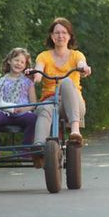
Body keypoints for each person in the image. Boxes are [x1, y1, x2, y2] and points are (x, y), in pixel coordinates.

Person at [32, 17, 91, 165]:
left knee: (66, 81)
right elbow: (38, 70)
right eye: (57, 33)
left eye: (64, 32)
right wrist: (36, 74)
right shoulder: (43, 56)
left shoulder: (76, 55)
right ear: (51, 36)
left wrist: (84, 68)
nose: (60, 36)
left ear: (69, 36)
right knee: (44, 107)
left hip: (72, 105)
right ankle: (39, 149)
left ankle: (75, 130)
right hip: (50, 101)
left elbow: (82, 64)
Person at [0, 47, 37, 159]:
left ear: (25, 66)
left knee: (33, 118)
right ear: (9, 61)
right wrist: (6, 108)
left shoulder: (28, 82)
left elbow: (33, 103)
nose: (19, 64)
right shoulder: (1, 81)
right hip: (5, 113)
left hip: (22, 113)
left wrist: (23, 109)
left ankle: (26, 149)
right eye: (16, 60)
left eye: (22, 62)